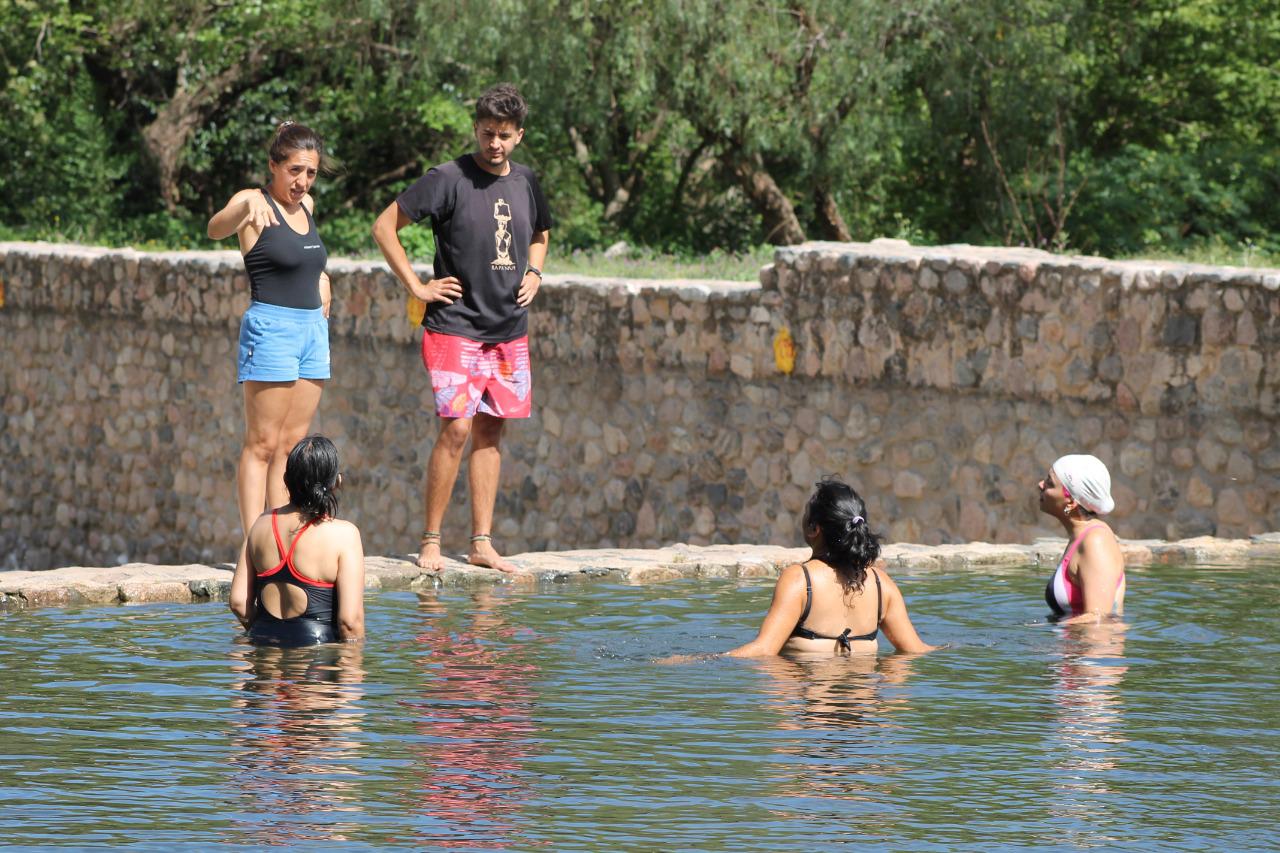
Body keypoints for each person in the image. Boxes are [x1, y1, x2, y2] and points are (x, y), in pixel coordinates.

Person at [372, 83, 552, 573]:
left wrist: (535, 272)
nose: (496, 143)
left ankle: (481, 543)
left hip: (509, 329)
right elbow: (384, 226)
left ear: (519, 135)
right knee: (456, 428)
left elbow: (540, 233)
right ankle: (430, 541)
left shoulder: (527, 182)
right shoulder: (446, 178)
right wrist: (416, 286)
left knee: (491, 433)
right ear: (476, 128)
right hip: (455, 326)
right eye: (488, 133)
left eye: (505, 135)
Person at [207, 121, 333, 545]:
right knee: (261, 443)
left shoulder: (308, 206)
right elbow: (214, 228)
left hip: (313, 331)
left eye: (310, 173)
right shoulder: (252, 201)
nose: (302, 181)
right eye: (294, 170)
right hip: (272, 329)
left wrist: (324, 281)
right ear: (273, 165)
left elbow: (306, 262)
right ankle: (252, 543)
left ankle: (280, 534)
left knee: (291, 445)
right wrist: (242, 211)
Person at [725, 477, 936, 657]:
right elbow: (916, 650)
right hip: (866, 704)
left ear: (814, 528)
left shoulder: (799, 580)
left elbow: (763, 650)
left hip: (813, 702)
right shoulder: (882, 585)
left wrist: (706, 659)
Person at [230, 435, 365, 646]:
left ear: (286, 481)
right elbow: (350, 622)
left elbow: (238, 603)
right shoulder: (344, 535)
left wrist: (269, 635)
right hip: (316, 659)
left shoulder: (260, 525)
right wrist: (352, 671)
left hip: (265, 654)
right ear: (336, 482)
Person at [1038, 454, 1126, 621]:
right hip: (1072, 646)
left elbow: (1098, 620)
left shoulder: (1096, 541)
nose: (1040, 485)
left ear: (1071, 502)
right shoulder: (1081, 537)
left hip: (1091, 647)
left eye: (1049, 483)